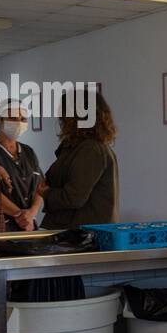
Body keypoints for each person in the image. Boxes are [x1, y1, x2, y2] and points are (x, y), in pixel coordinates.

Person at [38, 87, 120, 229]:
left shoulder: (91, 150)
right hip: (70, 231)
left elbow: (74, 197)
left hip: (80, 235)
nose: (61, 119)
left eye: (64, 114)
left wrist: (46, 193)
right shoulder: (74, 148)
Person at [0, 103, 44, 232]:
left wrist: (31, 213)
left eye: (23, 119)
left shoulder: (28, 151)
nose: (19, 123)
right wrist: (19, 214)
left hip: (29, 225)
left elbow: (41, 186)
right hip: (2, 225)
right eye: (13, 119)